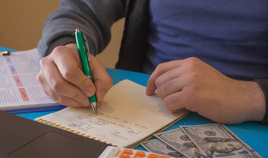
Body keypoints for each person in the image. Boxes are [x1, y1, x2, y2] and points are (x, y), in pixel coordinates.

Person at [36, 0, 268, 124]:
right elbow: (81, 9)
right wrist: (67, 45)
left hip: (250, 121)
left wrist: (253, 96)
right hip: (146, 107)